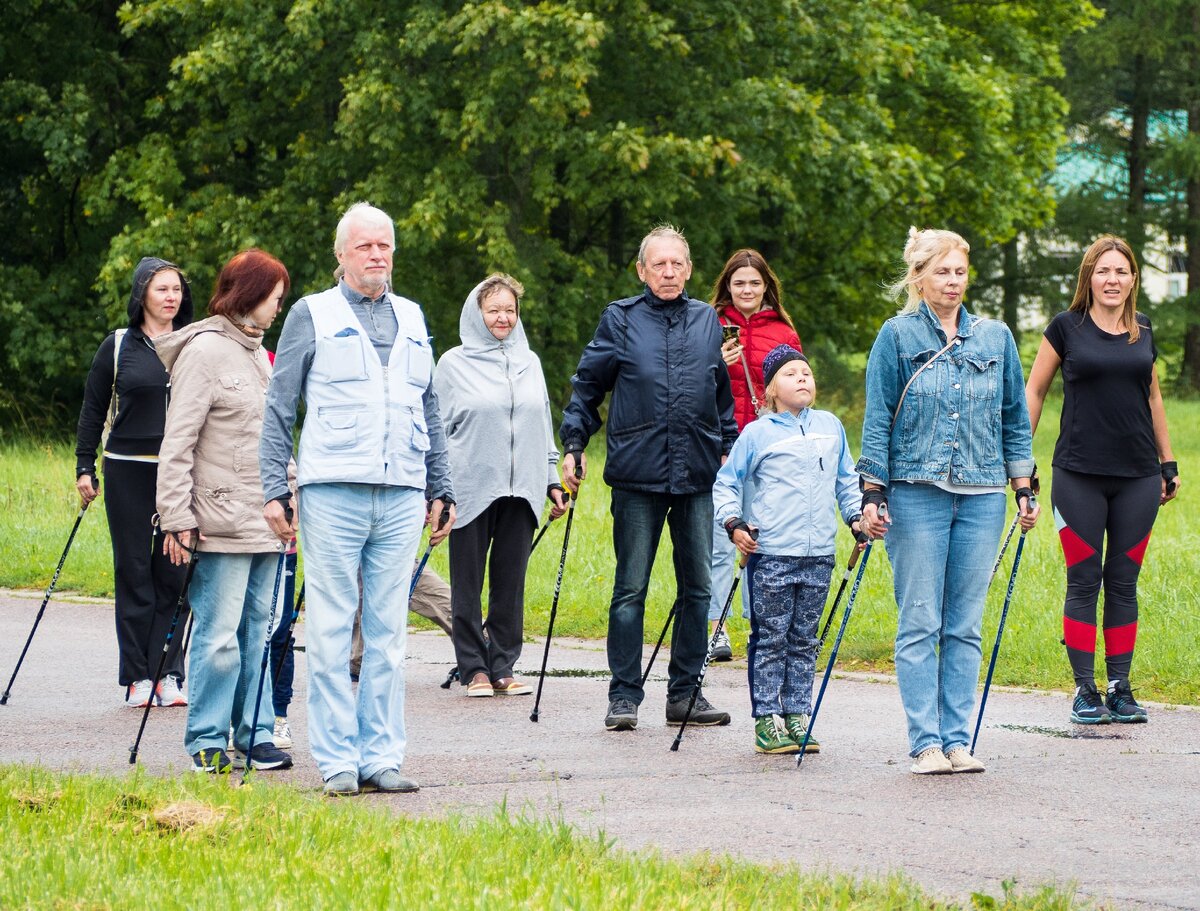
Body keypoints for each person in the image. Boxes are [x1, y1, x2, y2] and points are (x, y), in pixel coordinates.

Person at [259, 202, 454, 797]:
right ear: (341, 254)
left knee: (389, 633)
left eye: (385, 246)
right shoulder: (310, 313)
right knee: (331, 627)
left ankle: (383, 758)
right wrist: (275, 487)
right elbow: (280, 404)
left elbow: (428, 407)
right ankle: (339, 763)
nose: (377, 255)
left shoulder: (415, 317)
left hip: (402, 492)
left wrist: (440, 486)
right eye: (365, 246)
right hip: (332, 490)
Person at [857, 227, 1038, 775]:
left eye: (960, 272)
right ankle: (925, 743)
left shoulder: (995, 337)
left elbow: (1014, 417)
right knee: (920, 621)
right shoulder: (895, 336)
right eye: (942, 272)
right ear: (919, 277)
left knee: (964, 624)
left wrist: (1023, 484)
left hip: (983, 495)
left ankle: (958, 740)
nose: (953, 281)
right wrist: (872, 492)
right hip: (916, 493)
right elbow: (876, 418)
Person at [559, 224, 738, 732]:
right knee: (630, 588)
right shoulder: (620, 319)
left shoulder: (709, 321)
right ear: (641, 270)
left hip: (697, 474)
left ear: (688, 270)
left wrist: (728, 447)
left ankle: (686, 693)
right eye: (658, 264)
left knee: (698, 589)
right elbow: (587, 386)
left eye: (676, 264)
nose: (668, 272)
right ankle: (624, 696)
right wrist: (573, 444)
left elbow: (719, 394)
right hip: (637, 474)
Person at [1025, 235, 1179, 726]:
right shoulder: (1065, 329)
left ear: (1133, 279)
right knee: (1084, 580)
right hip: (1077, 475)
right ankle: (1084, 690)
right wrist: (1019, 460)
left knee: (1124, 583)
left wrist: (1167, 462)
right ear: (1088, 277)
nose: (1112, 280)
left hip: (1137, 477)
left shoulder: (1144, 330)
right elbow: (1035, 392)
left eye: (1122, 271)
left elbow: (1153, 399)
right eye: (1103, 271)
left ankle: (1120, 687)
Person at [155, 248, 294, 773]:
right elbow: (178, 442)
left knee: (257, 630)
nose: (279, 307)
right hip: (217, 524)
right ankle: (207, 740)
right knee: (217, 635)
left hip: (265, 521)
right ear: (250, 295)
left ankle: (254, 733)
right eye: (275, 297)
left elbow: (275, 437)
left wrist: (291, 495)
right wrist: (176, 516)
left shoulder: (260, 353)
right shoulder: (205, 351)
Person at [713, 345, 862, 754]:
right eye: (791, 373)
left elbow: (846, 481)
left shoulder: (831, 427)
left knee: (804, 639)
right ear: (770, 390)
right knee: (770, 637)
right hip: (772, 553)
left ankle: (797, 715)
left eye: (807, 373)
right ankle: (766, 719)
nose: (802, 379)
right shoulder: (757, 433)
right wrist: (733, 523)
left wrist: (855, 518)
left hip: (818, 556)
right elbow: (726, 483)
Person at [434, 274, 567, 697]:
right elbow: (434, 430)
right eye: (493, 310)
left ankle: (503, 665)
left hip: (522, 487)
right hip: (470, 486)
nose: (502, 317)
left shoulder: (530, 361)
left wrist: (551, 480)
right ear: (477, 314)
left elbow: (543, 424)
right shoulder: (453, 364)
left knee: (510, 583)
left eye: (509, 309)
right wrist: (436, 488)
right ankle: (472, 667)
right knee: (468, 583)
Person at [74, 257, 194, 708]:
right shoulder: (119, 345)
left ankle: (169, 674)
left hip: (179, 472)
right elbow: (92, 409)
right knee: (135, 570)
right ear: (142, 293)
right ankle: (138, 676)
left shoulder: (193, 343)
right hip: (127, 468)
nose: (171, 297)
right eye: (162, 289)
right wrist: (85, 466)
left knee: (175, 572)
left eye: (177, 290)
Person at [707, 249, 802, 661]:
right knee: (719, 539)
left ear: (766, 286)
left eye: (754, 283)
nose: (746, 290)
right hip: (719, 447)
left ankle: (759, 626)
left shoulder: (782, 331)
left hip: (767, 449)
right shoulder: (707, 323)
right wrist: (714, 358)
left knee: (760, 539)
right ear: (727, 286)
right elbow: (686, 380)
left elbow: (798, 386)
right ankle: (716, 626)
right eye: (738, 282)